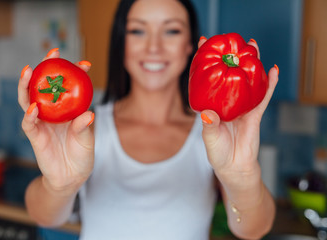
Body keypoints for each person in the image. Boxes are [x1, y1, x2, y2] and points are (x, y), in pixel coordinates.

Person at [18, 0, 278, 239]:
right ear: (122, 42)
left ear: (190, 44)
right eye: (138, 31)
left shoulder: (214, 134)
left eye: (171, 31)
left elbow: (254, 229)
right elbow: (45, 217)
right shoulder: (84, 127)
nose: (154, 47)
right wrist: (60, 185)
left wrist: (242, 177)